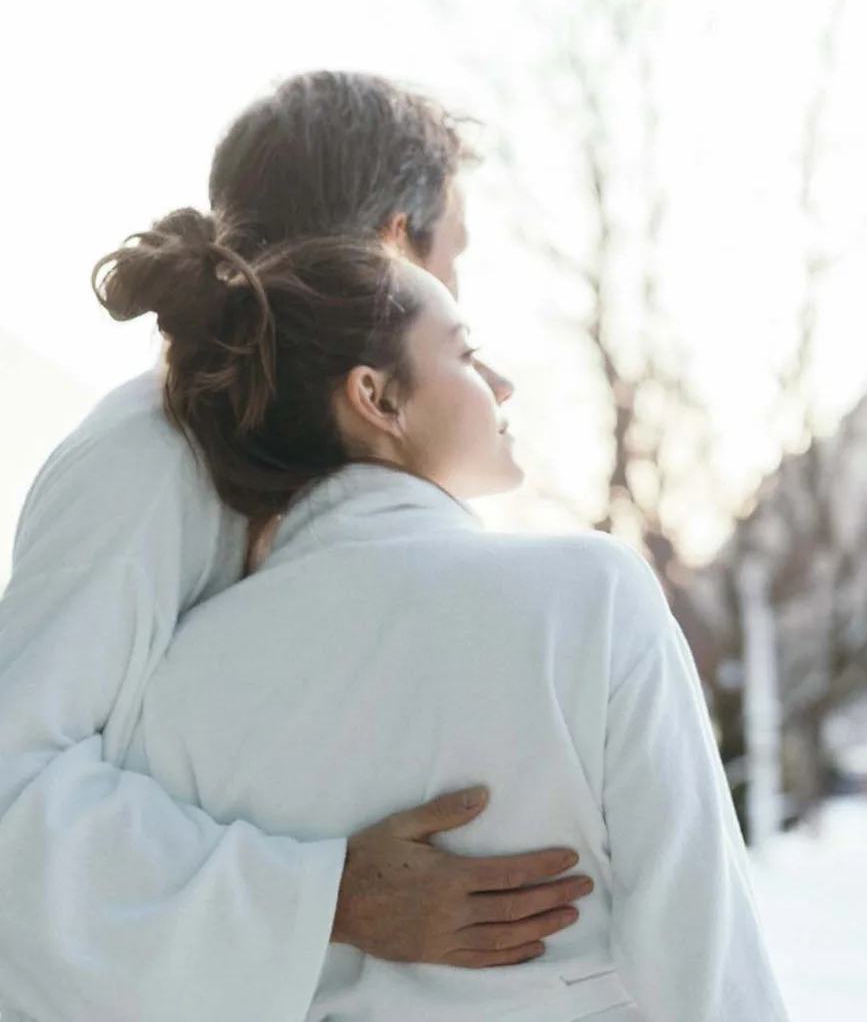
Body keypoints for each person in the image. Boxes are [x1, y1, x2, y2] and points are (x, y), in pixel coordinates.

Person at [0, 73, 589, 1021]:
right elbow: (11, 800)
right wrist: (323, 898)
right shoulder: (152, 452)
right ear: (398, 245)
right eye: (457, 259)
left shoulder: (343, 476)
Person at [98, 211, 785, 1020]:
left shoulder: (182, 680)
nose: (501, 384)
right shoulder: (590, 596)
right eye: (464, 352)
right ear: (376, 397)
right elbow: (703, 949)